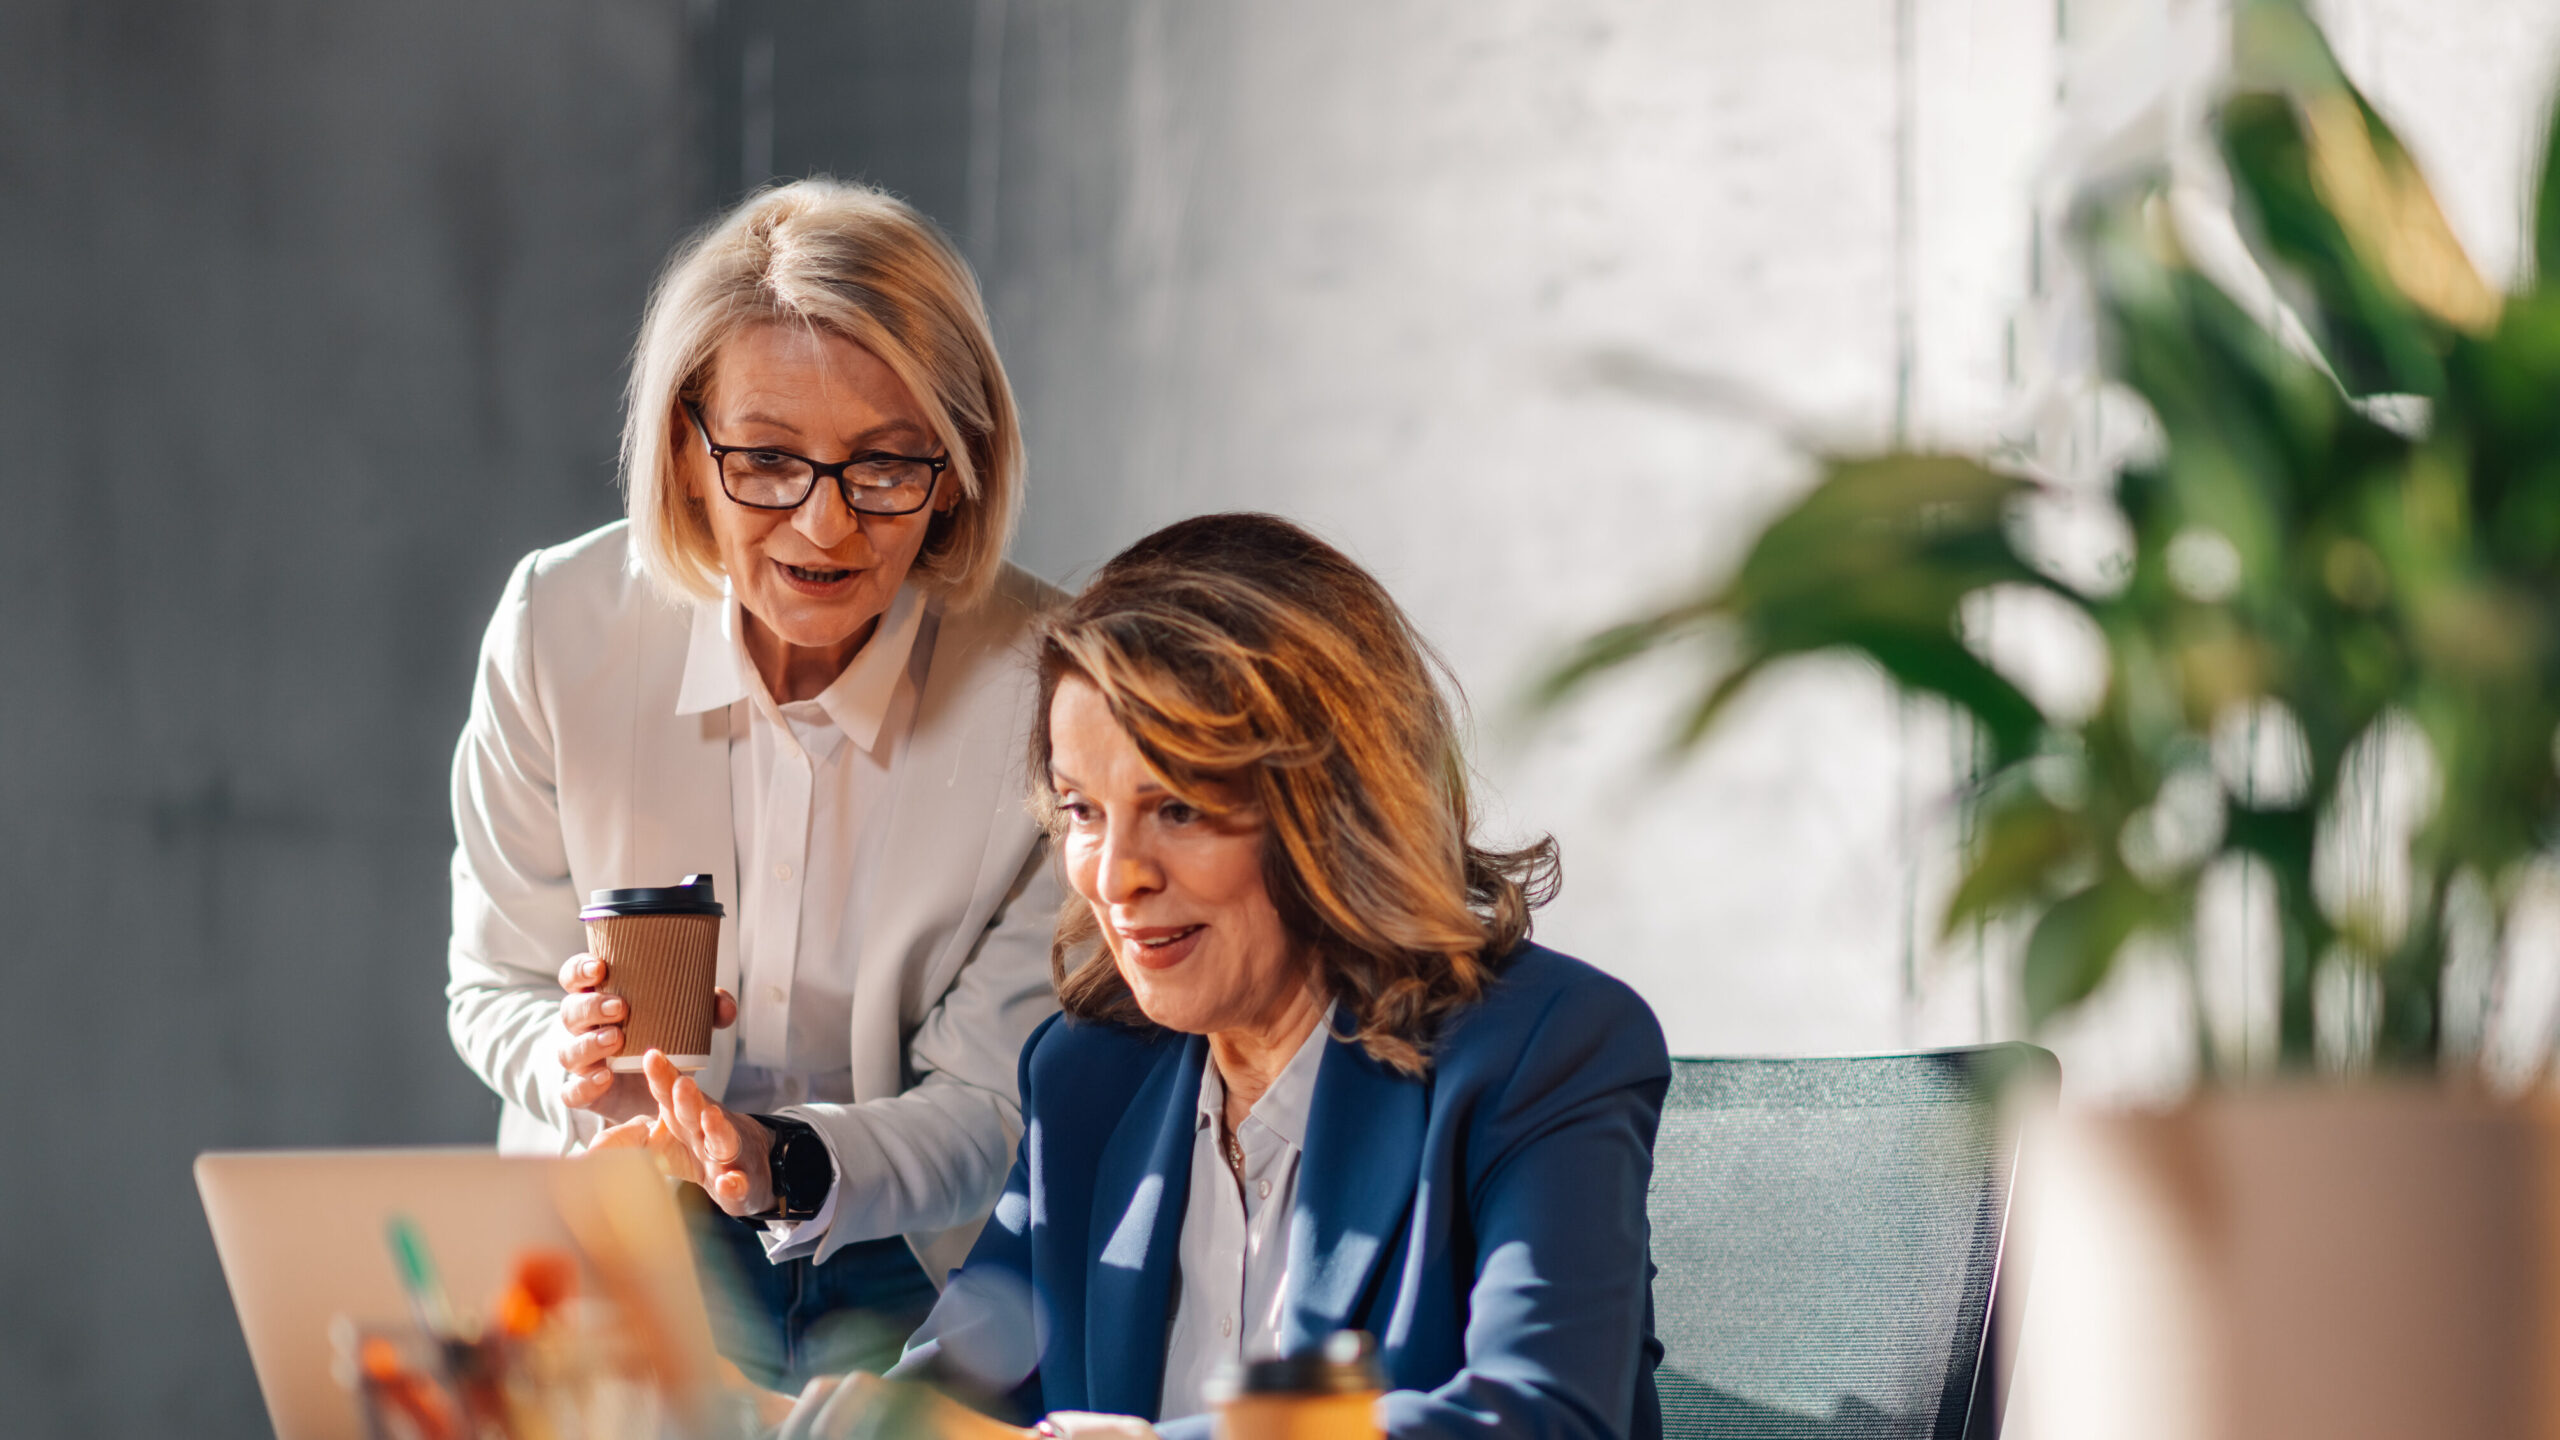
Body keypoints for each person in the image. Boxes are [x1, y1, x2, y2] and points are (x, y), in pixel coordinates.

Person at [761, 512, 1669, 1440]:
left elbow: (1546, 1417)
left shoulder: (1552, 1047)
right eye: (1082, 809)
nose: (1115, 877)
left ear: (1336, 810)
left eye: (1180, 808)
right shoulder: (1085, 1075)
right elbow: (959, 1398)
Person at [444, 178, 1062, 1388]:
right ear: (683, 448)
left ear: (958, 467)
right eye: (767, 461)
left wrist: (776, 1158)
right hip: (624, 1225)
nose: (824, 531)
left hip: (924, 1250)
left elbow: (995, 1099)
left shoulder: (1049, 687)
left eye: (884, 466)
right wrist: (574, 1061)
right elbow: (492, 983)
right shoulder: (557, 626)